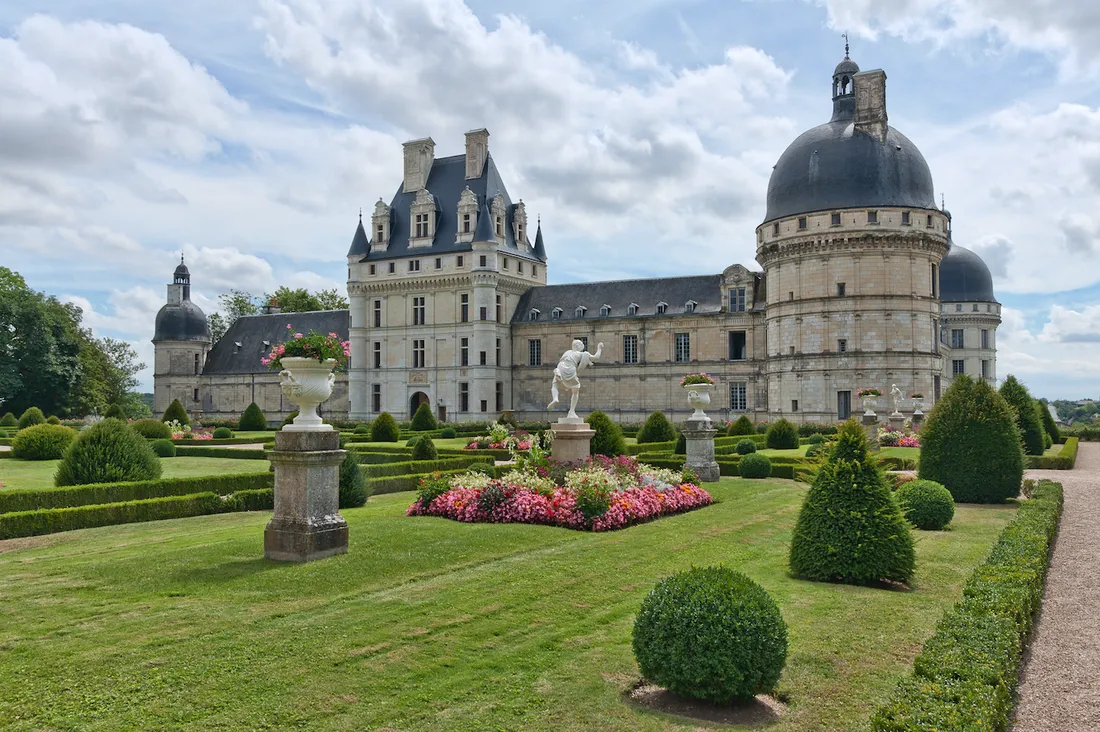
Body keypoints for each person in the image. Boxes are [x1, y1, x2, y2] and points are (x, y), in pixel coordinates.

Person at [547, 340, 603, 419]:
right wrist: (599, 348)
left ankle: (555, 398)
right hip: (571, 369)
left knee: (555, 384)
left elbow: (570, 359)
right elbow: (595, 357)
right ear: (580, 347)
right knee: (575, 391)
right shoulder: (582, 354)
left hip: (560, 367)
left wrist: (588, 361)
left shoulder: (567, 352)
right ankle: (571, 411)